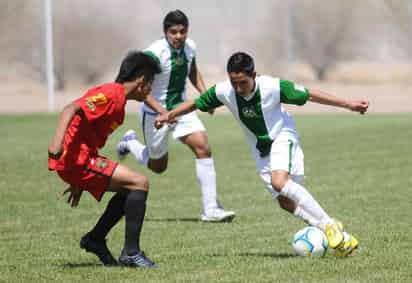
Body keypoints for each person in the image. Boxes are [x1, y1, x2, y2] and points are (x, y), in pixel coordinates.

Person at [155, 52, 370, 257]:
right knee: (285, 202)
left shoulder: (273, 87)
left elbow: (310, 94)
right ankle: (336, 234)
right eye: (234, 83)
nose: (238, 88)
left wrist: (348, 104)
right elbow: (196, 103)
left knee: (280, 182)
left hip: (282, 137)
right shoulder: (224, 91)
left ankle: (329, 224)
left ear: (253, 76)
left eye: (243, 83)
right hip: (261, 149)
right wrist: (169, 115)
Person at [117, 10, 235, 222]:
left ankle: (210, 210)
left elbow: (192, 72)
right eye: (174, 32)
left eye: (182, 31)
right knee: (158, 167)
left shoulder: (190, 47)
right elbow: (140, 88)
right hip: (155, 113)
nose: (178, 36)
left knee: (203, 147)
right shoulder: (154, 53)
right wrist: (163, 113)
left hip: (181, 109)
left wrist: (205, 96)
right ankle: (130, 142)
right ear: (165, 32)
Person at [48, 51, 162, 268]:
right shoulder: (110, 94)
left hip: (82, 159)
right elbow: (70, 108)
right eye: (151, 83)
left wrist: (78, 181)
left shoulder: (119, 99)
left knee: (130, 188)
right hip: (75, 160)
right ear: (141, 80)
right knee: (140, 183)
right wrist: (56, 144)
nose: (150, 90)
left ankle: (96, 239)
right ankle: (131, 253)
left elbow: (85, 129)